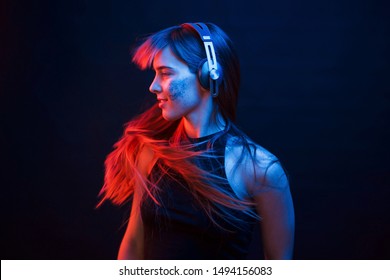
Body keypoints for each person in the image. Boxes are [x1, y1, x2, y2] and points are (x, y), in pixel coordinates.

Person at [98, 22, 295, 260]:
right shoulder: (151, 153)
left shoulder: (260, 169)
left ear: (208, 74)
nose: (153, 86)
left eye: (166, 73)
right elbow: (134, 242)